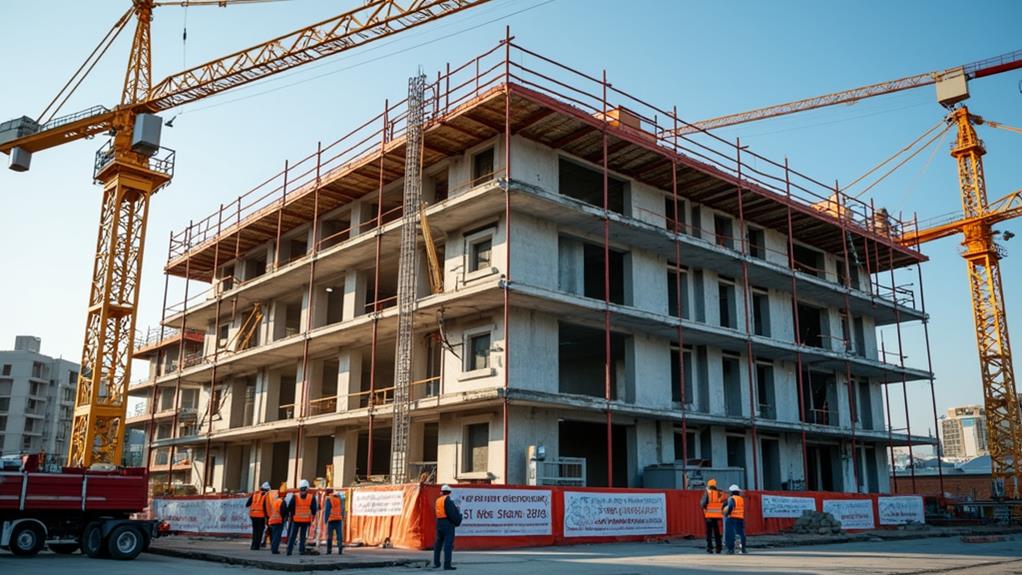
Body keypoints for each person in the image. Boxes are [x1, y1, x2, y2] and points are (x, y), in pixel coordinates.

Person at [433, 484, 462, 571]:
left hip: (439, 523)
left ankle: (436, 563)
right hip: (447, 524)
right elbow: (451, 514)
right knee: (448, 545)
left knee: (438, 544)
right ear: (449, 492)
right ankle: (447, 565)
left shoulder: (438, 500)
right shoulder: (448, 500)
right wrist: (458, 519)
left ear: (442, 492)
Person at [287, 479, 319, 556]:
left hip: (296, 520)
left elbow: (290, 507)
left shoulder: (295, 496)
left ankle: (289, 551)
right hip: (305, 520)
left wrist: (291, 515)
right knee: (302, 536)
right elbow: (314, 509)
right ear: (307, 488)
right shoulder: (311, 497)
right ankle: (301, 550)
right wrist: (313, 516)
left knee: (293, 536)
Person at [699, 478, 725, 554]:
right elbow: (723, 501)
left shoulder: (707, 492)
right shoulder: (719, 493)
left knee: (709, 533)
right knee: (717, 533)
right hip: (716, 516)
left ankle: (709, 548)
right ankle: (719, 548)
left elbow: (703, 503)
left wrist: (704, 507)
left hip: (709, 516)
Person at [245, 481, 271, 550]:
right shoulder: (266, 496)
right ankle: (256, 546)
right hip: (261, 516)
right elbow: (266, 507)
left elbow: (247, 504)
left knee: (255, 530)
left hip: (253, 515)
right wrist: (268, 516)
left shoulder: (254, 494)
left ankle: (253, 545)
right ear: (267, 489)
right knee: (260, 531)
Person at [723, 484, 747, 555]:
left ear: (731, 492)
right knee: (741, 534)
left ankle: (730, 549)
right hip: (740, 518)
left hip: (732, 518)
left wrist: (727, 514)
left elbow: (730, 506)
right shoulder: (741, 499)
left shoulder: (732, 498)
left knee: (730, 534)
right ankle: (743, 549)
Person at [323, 488, 344, 555]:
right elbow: (342, 508)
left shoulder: (329, 499)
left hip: (331, 520)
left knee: (330, 536)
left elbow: (327, 510)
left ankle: (329, 550)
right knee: (339, 534)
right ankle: (340, 547)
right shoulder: (339, 498)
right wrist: (342, 516)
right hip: (338, 519)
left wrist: (325, 520)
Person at [267, 488, 287, 554]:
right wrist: (285, 519)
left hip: (272, 520)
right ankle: (275, 550)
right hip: (279, 520)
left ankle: (273, 548)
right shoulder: (282, 501)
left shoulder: (275, 501)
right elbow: (283, 512)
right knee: (277, 536)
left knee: (274, 535)